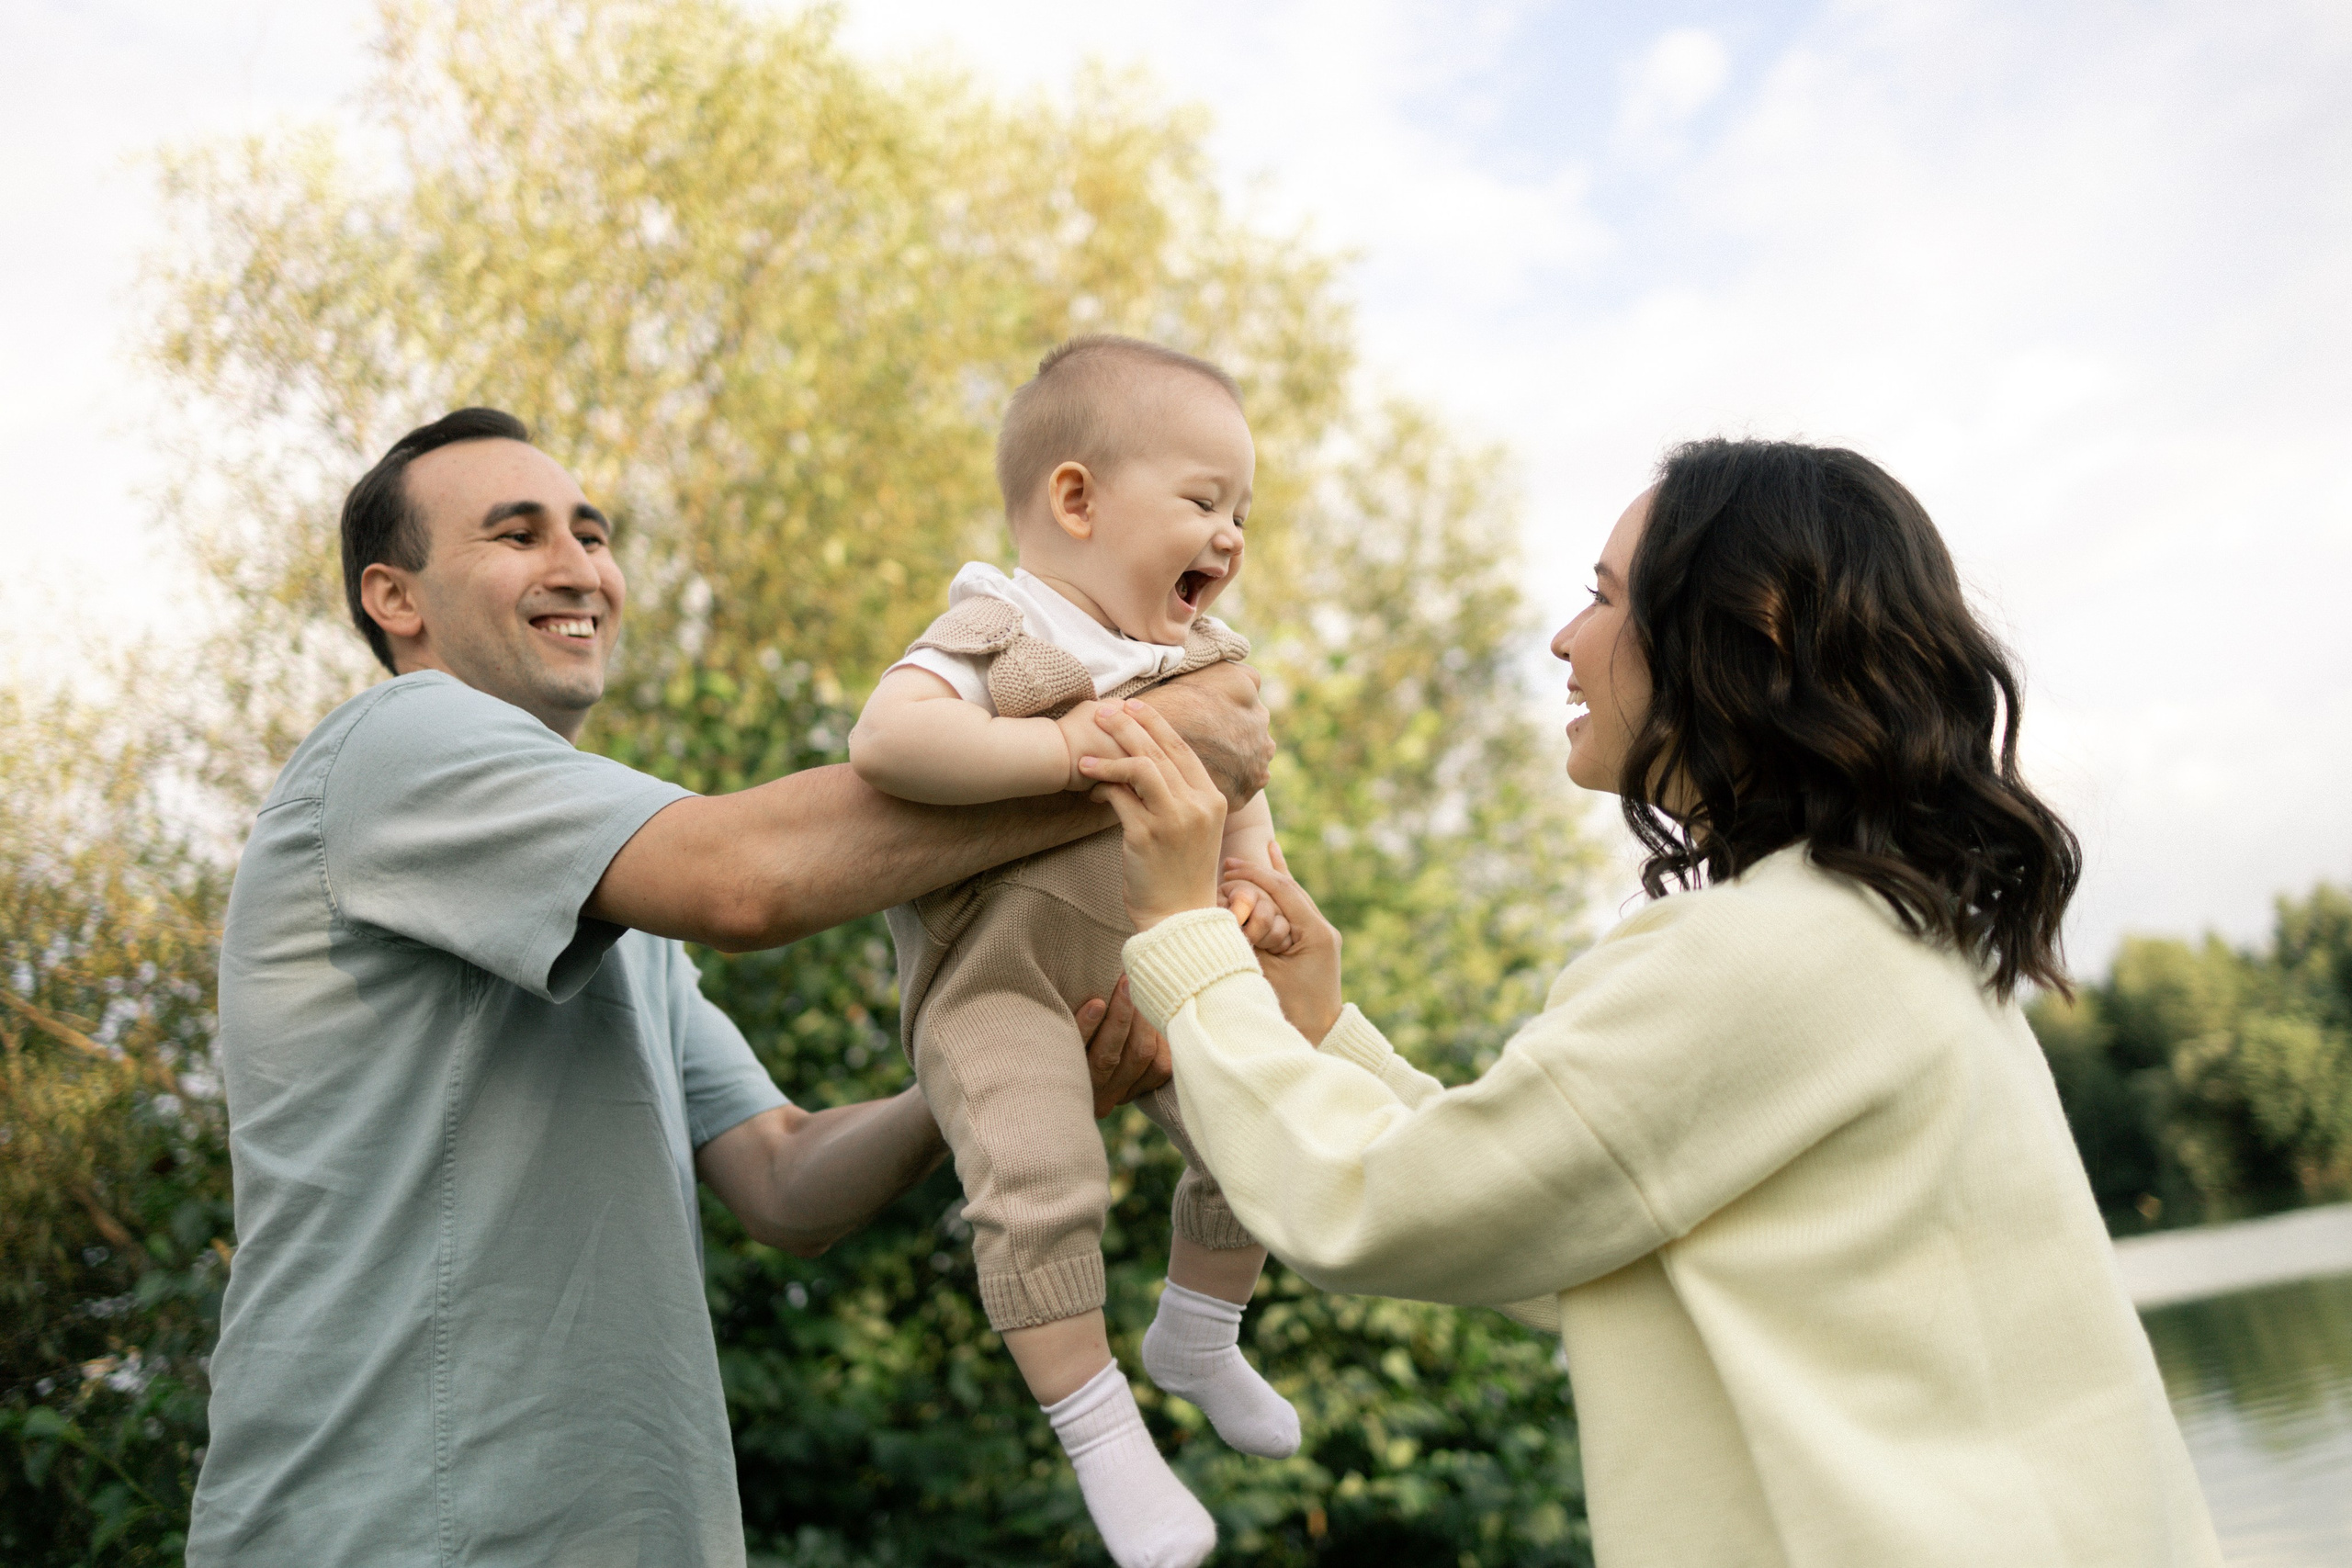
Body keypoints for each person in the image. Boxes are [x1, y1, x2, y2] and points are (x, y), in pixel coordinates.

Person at [1080, 438, 2227, 1566]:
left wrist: (1184, 934)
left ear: (1746, 632)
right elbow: (1545, 1219)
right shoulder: (1876, 926)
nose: (1562, 639)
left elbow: (1377, 1205)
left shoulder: (1771, 952)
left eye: (1604, 597)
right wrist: (1320, 1028)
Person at [185, 408, 1274, 1568]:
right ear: (394, 599)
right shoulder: (397, 742)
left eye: (592, 535)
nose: (580, 568)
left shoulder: (608, 908)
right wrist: (1163, 736)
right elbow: (746, 879)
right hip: (394, 1526)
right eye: (518, 535)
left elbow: (784, 1179)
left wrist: (1025, 1067)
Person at [847, 337, 1300, 1568]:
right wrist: (1068, 754)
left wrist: (1252, 882)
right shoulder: (998, 630)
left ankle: (1201, 1327)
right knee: (1039, 1175)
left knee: (1264, 1130)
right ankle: (1102, 1434)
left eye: (1242, 512)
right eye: (1204, 501)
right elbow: (887, 744)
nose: (1232, 534)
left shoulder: (1208, 662)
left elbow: (1243, 793)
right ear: (1077, 500)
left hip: (1154, 962)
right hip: (999, 984)